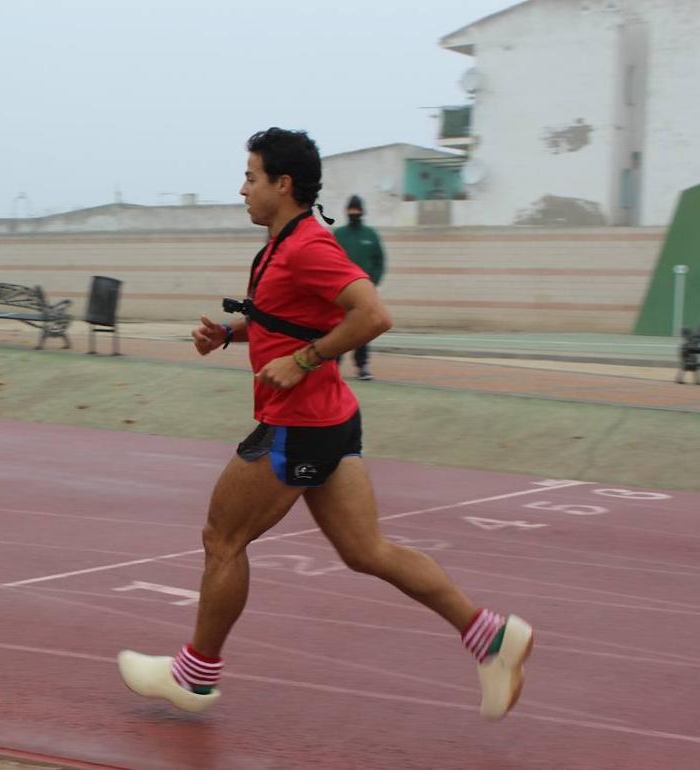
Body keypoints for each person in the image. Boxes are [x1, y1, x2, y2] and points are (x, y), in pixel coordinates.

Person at [116, 128, 532, 722]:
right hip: (333, 420)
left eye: (251, 177)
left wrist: (307, 359)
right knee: (367, 551)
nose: (242, 189)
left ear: (282, 185)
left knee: (222, 539)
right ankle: (489, 637)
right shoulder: (283, 243)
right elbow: (289, 318)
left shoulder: (308, 246)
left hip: (298, 425)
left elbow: (374, 314)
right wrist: (231, 335)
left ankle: (194, 676)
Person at [332, 194, 385, 380]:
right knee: (337, 329)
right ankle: (333, 366)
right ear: (347, 211)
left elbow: (380, 261)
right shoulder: (339, 235)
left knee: (363, 330)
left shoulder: (370, 235)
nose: (354, 212)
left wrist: (372, 282)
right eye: (351, 209)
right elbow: (330, 259)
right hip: (341, 292)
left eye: (357, 209)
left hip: (364, 293)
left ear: (362, 211)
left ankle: (362, 367)